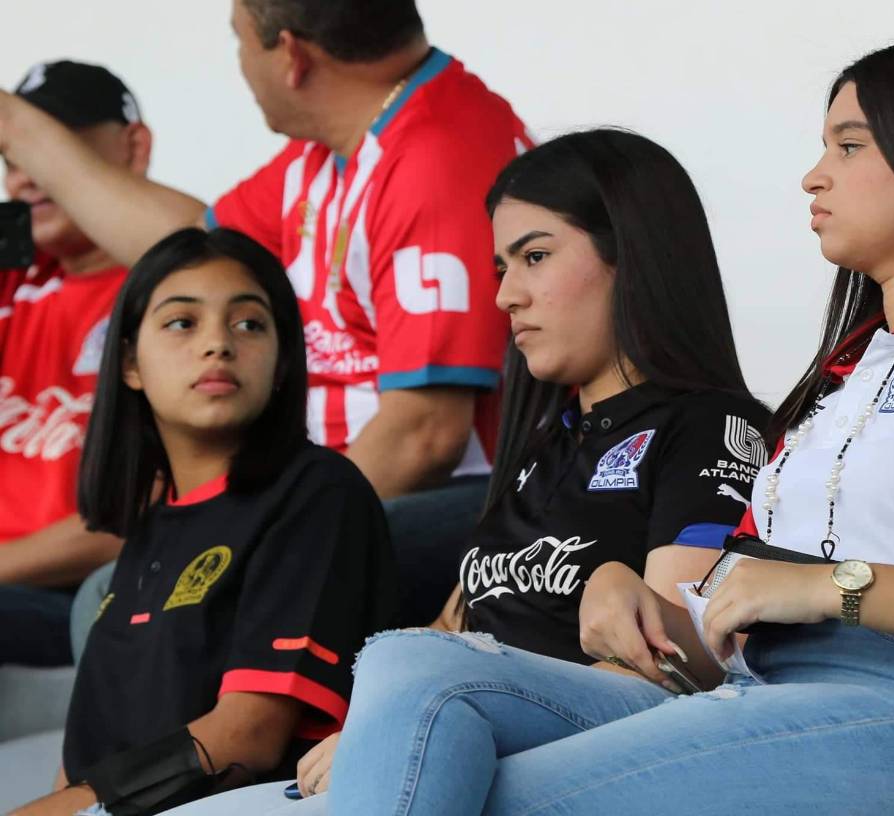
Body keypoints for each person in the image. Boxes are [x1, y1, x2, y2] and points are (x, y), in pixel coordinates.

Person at [319, 38, 894, 814]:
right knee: (407, 662)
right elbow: (730, 620)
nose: (813, 177)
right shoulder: (843, 374)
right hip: (766, 690)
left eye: (848, 147)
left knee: (480, 796)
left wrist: (833, 586)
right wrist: (633, 605)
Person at [157, 128, 771, 814]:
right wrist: (381, 725)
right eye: (500, 269)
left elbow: (676, 664)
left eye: (534, 257)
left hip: (591, 758)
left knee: (403, 667)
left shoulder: (711, 422)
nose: (507, 295)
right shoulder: (542, 447)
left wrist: (415, 708)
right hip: (455, 731)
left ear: (632, 255)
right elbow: (455, 631)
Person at [0, 0, 532, 626]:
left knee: (140, 603)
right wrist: (17, 128)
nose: (240, 66)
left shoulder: (435, 157)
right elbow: (191, 245)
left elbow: (425, 437)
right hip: (346, 489)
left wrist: (262, 535)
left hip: (463, 499)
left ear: (291, 55)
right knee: (126, 595)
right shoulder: (336, 149)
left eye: (239, 42)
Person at [10, 228, 397, 816]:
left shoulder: (317, 492)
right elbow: (79, 762)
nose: (218, 343)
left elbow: (247, 737)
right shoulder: (149, 531)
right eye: (182, 323)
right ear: (130, 365)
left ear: (282, 362)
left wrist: (65, 809)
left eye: (249, 324)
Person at [0, 61, 150, 667]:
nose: (30, 177)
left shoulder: (178, 290)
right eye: (13, 158)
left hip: (87, 594)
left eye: (55, 149)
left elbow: (140, 513)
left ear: (133, 147)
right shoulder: (13, 282)